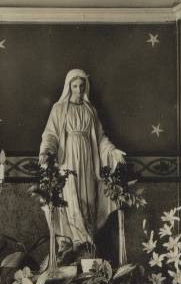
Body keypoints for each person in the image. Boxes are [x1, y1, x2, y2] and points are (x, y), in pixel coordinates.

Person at [39, 69, 126, 248]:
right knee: (70, 199)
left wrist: (112, 151)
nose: (78, 89)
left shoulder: (90, 111)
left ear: (86, 87)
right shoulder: (60, 109)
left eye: (82, 86)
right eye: (75, 86)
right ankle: (72, 245)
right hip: (68, 160)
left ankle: (87, 245)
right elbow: (51, 134)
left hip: (87, 161)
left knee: (88, 198)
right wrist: (46, 151)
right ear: (69, 87)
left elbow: (101, 138)